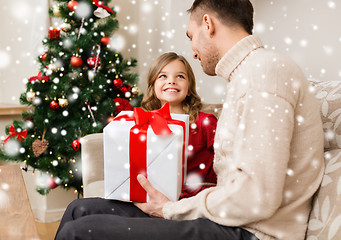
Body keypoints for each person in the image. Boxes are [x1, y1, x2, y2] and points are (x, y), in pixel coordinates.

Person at [55, 0, 324, 240]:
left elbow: (257, 197)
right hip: (229, 219)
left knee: (78, 232)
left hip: (251, 231)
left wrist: (171, 209)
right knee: (79, 208)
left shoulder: (264, 73)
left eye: (191, 36)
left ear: (207, 24)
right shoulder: (249, 75)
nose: (193, 52)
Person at [140, 52, 217, 199]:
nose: (172, 81)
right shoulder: (144, 124)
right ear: (153, 86)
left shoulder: (206, 123)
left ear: (189, 89)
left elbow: (231, 162)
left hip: (196, 202)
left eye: (180, 76)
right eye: (163, 76)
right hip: (155, 199)